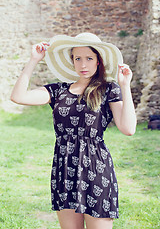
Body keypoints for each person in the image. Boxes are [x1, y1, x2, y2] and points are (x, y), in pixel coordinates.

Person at [11, 32, 137, 229]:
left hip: (97, 170)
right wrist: (33, 60)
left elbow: (128, 128)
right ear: (72, 61)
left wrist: (125, 86)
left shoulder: (108, 89)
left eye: (89, 58)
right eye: (78, 58)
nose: (83, 64)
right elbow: (18, 97)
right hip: (64, 170)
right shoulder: (57, 90)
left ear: (98, 61)